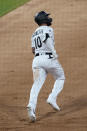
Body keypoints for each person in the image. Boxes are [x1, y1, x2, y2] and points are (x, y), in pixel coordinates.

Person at [27, 11, 65, 122]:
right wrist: (53, 51)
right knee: (60, 77)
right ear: (44, 19)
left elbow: (33, 50)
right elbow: (47, 39)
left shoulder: (34, 33)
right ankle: (52, 98)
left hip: (37, 60)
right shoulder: (49, 29)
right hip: (49, 59)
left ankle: (31, 106)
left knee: (36, 85)